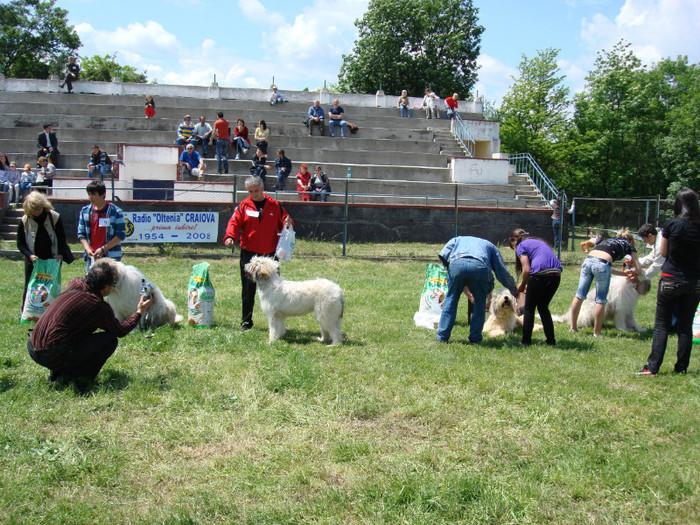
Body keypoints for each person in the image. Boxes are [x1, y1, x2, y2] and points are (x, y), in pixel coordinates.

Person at [27, 260, 152, 389]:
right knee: (109, 340)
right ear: (105, 288)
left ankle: (56, 373)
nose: (113, 288)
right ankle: (80, 377)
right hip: (51, 354)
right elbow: (120, 330)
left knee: (68, 331)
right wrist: (139, 312)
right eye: (112, 284)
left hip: (33, 346)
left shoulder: (75, 282)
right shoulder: (97, 306)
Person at [637, 189, 700, 376]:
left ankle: (652, 367)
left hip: (671, 279)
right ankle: (681, 368)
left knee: (662, 325)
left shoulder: (671, 224)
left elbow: (663, 253)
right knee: (685, 325)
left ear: (678, 204)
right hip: (695, 281)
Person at [223, 176, 293, 331]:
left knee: (276, 288)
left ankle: (277, 323)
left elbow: (286, 222)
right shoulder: (244, 206)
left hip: (269, 255)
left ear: (262, 189)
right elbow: (234, 222)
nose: (253, 194)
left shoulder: (274, 206)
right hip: (249, 254)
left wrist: (288, 223)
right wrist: (230, 236)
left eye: (256, 190)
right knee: (248, 289)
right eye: (250, 191)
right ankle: (246, 323)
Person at [437, 236, 519, 344]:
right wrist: (514, 289)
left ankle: (442, 338)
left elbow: (443, 255)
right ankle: (475, 339)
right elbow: (501, 271)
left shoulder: (456, 240)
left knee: (451, 300)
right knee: (480, 305)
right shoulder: (490, 245)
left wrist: (450, 270)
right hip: (479, 267)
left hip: (456, 265)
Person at [569, 228, 642, 336]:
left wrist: (624, 274)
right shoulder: (629, 245)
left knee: (579, 295)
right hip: (602, 264)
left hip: (588, 261)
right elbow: (639, 270)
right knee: (601, 299)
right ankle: (597, 332)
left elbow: (607, 268)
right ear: (631, 240)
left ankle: (573, 327)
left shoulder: (608, 241)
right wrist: (634, 271)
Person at [16, 191, 74, 309]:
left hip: (52, 259)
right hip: (33, 260)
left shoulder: (54, 217)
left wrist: (61, 254)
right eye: (34, 209)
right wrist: (30, 255)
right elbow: (20, 244)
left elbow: (62, 240)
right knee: (31, 286)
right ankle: (28, 312)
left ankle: (49, 312)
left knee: (50, 287)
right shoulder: (24, 221)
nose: (37, 211)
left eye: (39, 208)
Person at [509, 229, 562, 346]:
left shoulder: (521, 245)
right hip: (556, 274)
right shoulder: (540, 243)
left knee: (529, 308)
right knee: (543, 307)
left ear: (514, 240)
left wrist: (522, 285)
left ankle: (526, 341)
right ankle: (551, 341)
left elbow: (527, 269)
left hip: (540, 275)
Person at [77, 180, 126, 271]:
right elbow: (81, 233)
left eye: (94, 194)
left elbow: (121, 234)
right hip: (92, 258)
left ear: (103, 194)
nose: (90, 197)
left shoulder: (115, 211)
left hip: (110, 257)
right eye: (89, 194)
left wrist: (103, 249)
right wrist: (88, 249)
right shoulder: (85, 211)